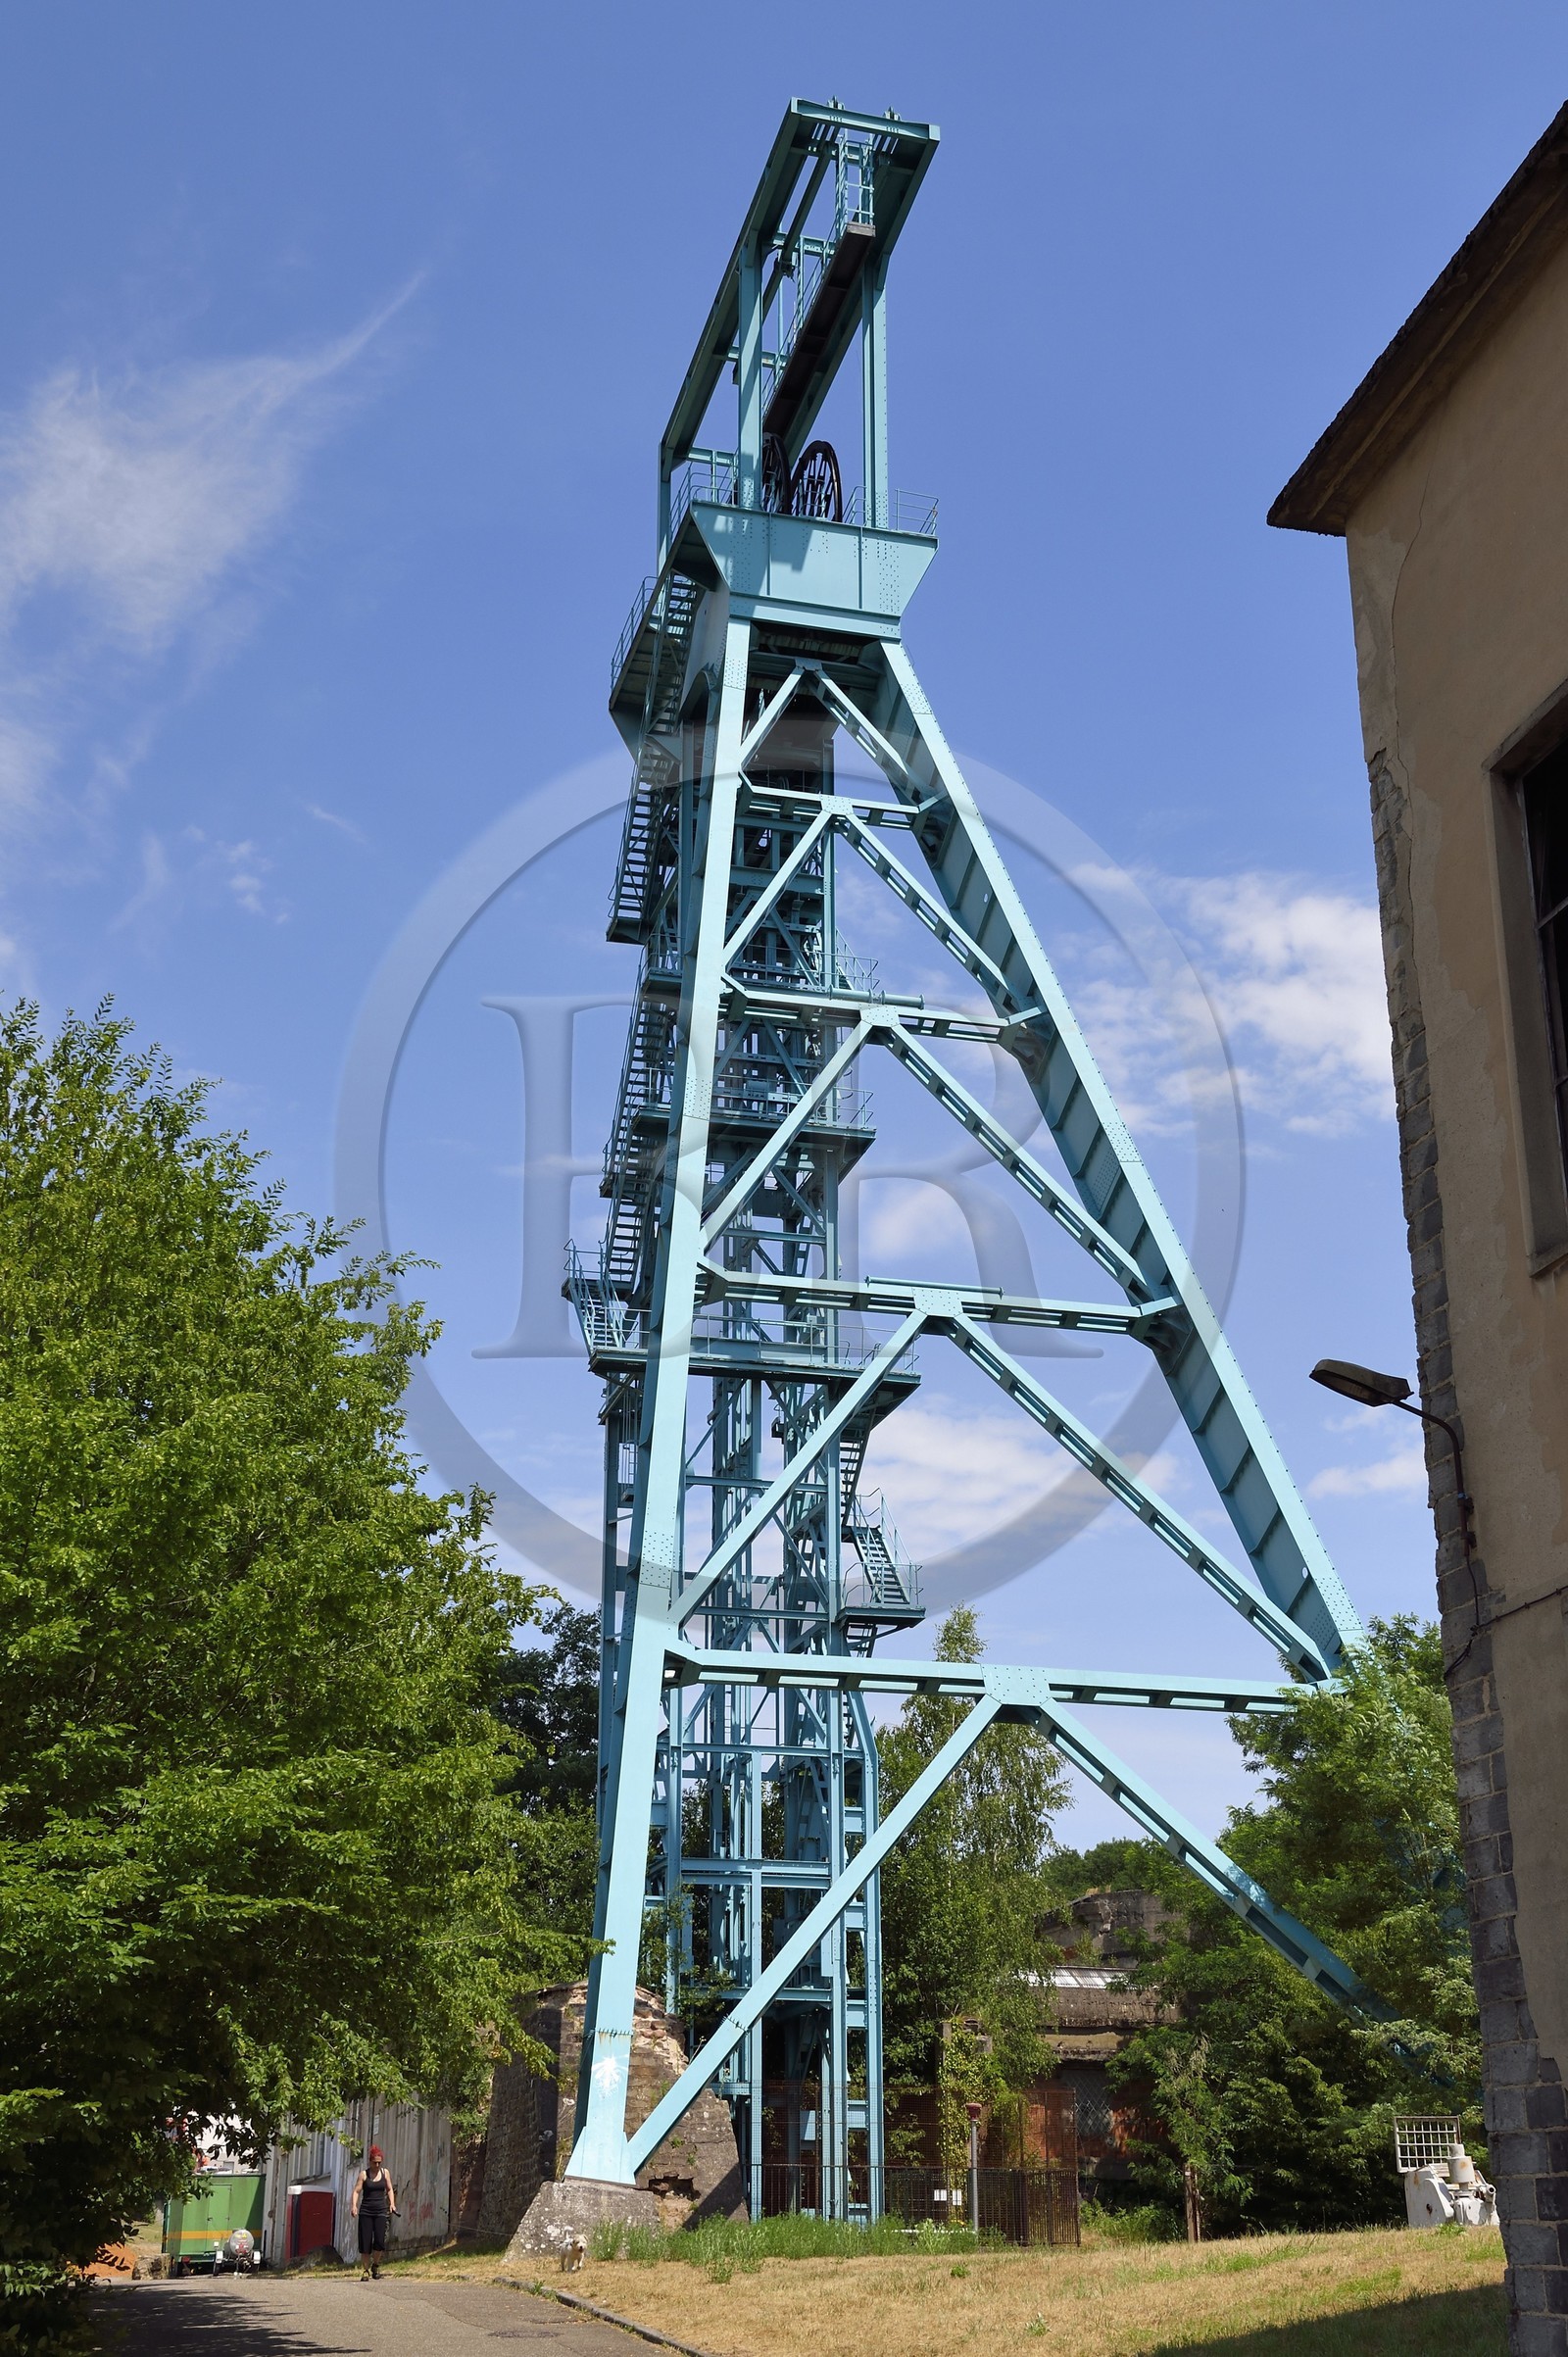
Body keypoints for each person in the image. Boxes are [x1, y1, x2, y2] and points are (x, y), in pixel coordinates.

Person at [350, 2144, 397, 2280]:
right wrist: (354, 2206)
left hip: (380, 2211)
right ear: (370, 2162)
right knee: (365, 2243)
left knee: (380, 2242)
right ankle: (365, 2270)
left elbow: (389, 2189)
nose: (377, 2165)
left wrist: (392, 2204)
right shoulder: (364, 2175)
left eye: (379, 2162)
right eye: (374, 2162)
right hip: (366, 2212)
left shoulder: (385, 2173)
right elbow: (356, 2191)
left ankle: (375, 2265)